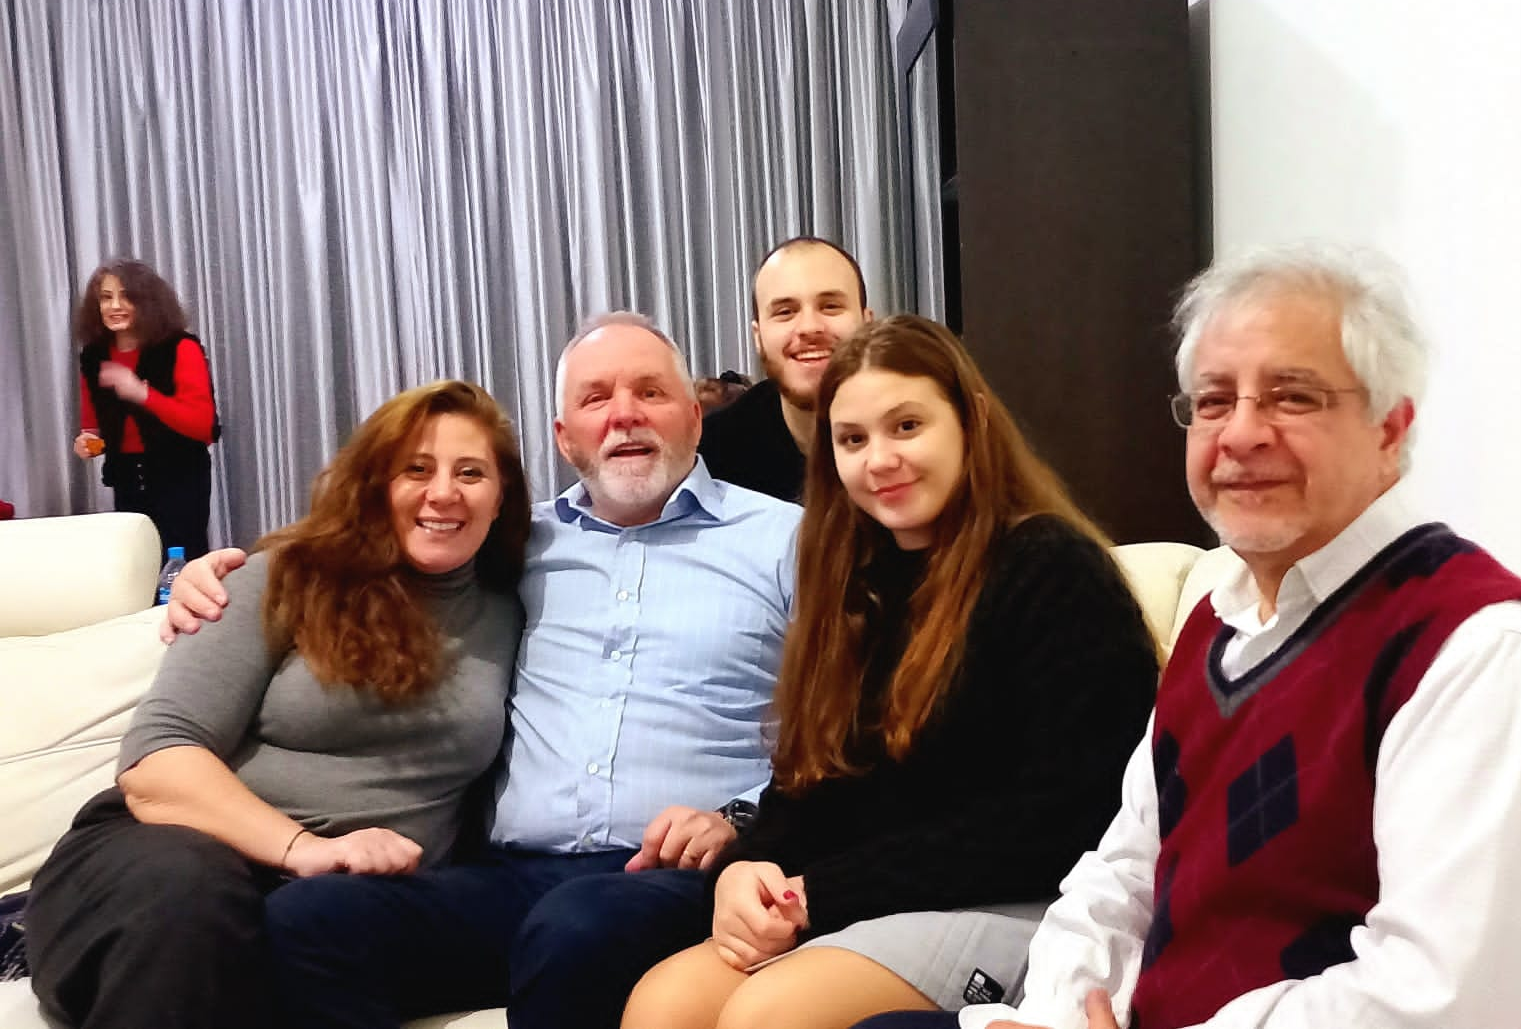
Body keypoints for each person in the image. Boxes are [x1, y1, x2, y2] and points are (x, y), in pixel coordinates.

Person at [851, 243, 1521, 1029]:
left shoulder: (1477, 648)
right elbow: (1120, 875)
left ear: (1390, 429)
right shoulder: (1218, 622)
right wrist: (1053, 1014)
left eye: (1292, 397)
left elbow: (1446, 994)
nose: (1240, 434)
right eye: (1212, 401)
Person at [163, 313, 803, 1027]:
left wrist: (739, 815)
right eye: (595, 399)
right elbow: (367, 554)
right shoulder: (509, 545)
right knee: (314, 916)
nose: (623, 414)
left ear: (692, 415)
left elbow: (852, 726)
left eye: (649, 392)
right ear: (564, 437)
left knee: (575, 928)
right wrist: (224, 573)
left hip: (679, 874)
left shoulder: (786, 542)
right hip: (508, 875)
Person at [619, 314, 1159, 1029]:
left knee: (768, 1017)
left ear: (970, 423)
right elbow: (809, 782)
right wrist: (744, 870)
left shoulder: (1049, 567)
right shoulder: (853, 580)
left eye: (906, 426)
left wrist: (822, 894)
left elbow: (1066, 818)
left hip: (1034, 900)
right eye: (852, 439)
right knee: (661, 1005)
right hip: (879, 900)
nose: (879, 460)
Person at [25, 379, 532, 1029]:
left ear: (501, 498)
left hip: (341, 907)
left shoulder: (517, 605)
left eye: (471, 473)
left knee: (300, 942)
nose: (443, 493)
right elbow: (157, 763)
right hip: (164, 859)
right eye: (416, 469)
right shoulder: (284, 578)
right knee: (194, 905)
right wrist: (302, 849)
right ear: (374, 483)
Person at [698, 236, 874, 501]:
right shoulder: (712, 458)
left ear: (867, 322)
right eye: (785, 312)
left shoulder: (923, 435)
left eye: (830, 306)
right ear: (758, 337)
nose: (809, 328)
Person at [71, 258, 220, 559]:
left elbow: (203, 427)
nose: (115, 306)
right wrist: (88, 442)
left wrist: (142, 393)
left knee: (180, 568)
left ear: (148, 303)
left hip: (179, 477)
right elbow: (92, 426)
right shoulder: (94, 355)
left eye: (127, 296)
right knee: (139, 567)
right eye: (106, 297)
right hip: (126, 478)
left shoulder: (182, 347)